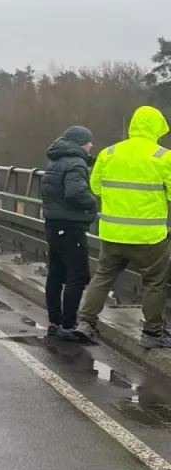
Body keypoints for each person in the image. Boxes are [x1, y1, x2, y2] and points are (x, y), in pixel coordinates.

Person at [76, 107, 171, 348]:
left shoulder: (109, 153)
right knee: (154, 283)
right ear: (157, 128)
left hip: (112, 233)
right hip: (149, 237)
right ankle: (151, 333)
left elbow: (95, 187)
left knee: (102, 277)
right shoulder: (163, 157)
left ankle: (86, 322)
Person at [40, 126, 98, 342]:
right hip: (70, 225)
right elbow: (75, 191)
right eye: (89, 142)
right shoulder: (75, 162)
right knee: (79, 275)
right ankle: (67, 324)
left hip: (54, 223)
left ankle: (54, 322)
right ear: (80, 142)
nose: (91, 145)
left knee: (55, 273)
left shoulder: (56, 159)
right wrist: (94, 202)